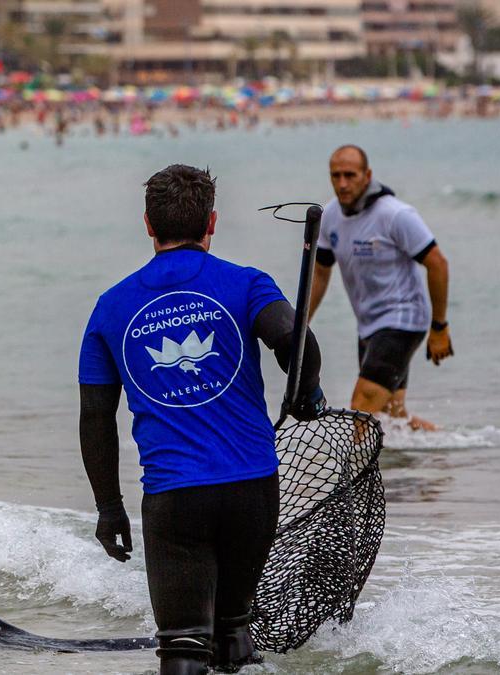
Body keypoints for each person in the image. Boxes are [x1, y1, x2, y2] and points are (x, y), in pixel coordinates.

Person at [78, 164, 325, 674]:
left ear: (148, 224)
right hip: (253, 491)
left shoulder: (110, 307)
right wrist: (305, 395)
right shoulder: (247, 283)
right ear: (211, 222)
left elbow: (96, 417)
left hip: (175, 499)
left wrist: (109, 507)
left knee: (184, 648)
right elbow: (297, 341)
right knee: (234, 633)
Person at [310, 145, 452, 431]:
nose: (342, 184)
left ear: (367, 175)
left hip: (404, 320)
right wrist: (300, 324)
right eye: (335, 176)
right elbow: (321, 273)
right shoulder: (330, 216)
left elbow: (437, 263)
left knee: (361, 407)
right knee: (393, 418)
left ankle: (350, 474)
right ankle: (442, 454)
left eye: (350, 175)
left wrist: (440, 327)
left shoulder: (395, 215)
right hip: (369, 326)